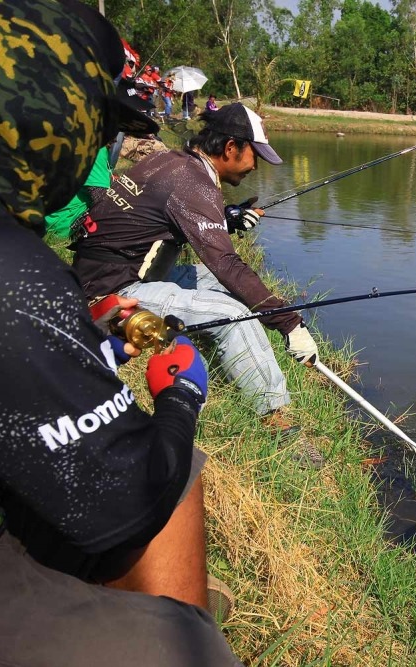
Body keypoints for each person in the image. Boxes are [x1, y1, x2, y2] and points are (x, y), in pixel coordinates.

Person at [0, 1, 242, 664]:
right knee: (174, 472)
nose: (99, 147)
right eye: (96, 120)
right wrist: (182, 396)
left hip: (96, 302)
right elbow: (123, 488)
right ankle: (181, 624)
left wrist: (95, 350)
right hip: (107, 302)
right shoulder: (17, 277)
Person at [72, 103, 326, 469]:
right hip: (109, 292)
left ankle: (256, 372)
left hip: (121, 271)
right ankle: (277, 420)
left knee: (228, 292)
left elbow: (173, 213)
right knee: (232, 310)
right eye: (255, 156)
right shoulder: (193, 183)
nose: (256, 166)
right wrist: (288, 322)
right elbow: (226, 263)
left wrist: (228, 218)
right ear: (231, 149)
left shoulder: (173, 163)